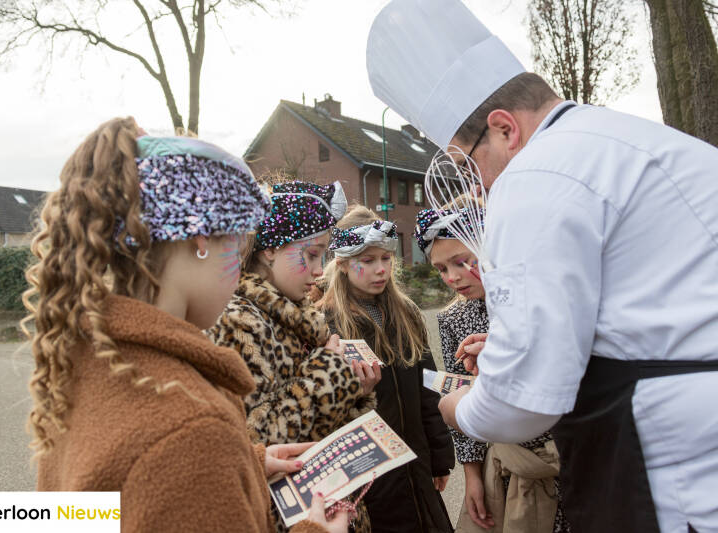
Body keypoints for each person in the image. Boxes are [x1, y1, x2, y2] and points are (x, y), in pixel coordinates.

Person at [367, 1, 718, 532]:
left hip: (674, 476)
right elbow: (645, 315)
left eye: (469, 164)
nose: (478, 187)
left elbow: (522, 403)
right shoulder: (643, 142)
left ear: (504, 128)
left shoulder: (535, 176)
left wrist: (459, 408)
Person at [26, 117, 347, 533]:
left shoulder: (87, 358)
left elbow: (106, 505)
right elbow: (171, 462)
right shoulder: (191, 432)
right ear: (200, 240)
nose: (239, 270)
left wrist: (243, 466)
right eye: (239, 244)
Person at [209, 180, 380, 533]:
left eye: (324, 255)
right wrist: (333, 375)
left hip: (326, 509)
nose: (321, 270)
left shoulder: (300, 316)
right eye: (312, 254)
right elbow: (255, 440)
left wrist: (355, 392)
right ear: (270, 250)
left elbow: (314, 419)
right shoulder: (239, 320)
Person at [417, 206, 569, 533]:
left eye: (461, 262)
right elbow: (458, 392)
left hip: (567, 457)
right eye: (440, 269)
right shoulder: (453, 319)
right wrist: (472, 476)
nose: (451, 277)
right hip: (509, 464)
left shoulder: (540, 300)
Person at [317, 205, 455, 533]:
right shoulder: (326, 324)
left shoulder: (406, 313)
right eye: (367, 261)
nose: (381, 269)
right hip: (368, 479)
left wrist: (439, 455)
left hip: (417, 466)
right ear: (343, 264)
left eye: (385, 259)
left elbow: (428, 386)